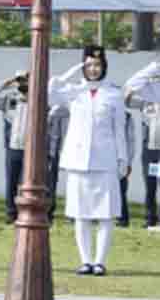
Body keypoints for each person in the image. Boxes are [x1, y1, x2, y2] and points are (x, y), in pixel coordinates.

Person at [52, 46, 129, 275]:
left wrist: (122, 158)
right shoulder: (73, 91)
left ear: (104, 67)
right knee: (81, 212)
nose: (93, 70)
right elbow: (48, 94)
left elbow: (119, 130)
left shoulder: (113, 94)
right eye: (88, 65)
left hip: (105, 159)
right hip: (78, 161)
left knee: (105, 214)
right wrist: (68, 75)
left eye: (97, 65)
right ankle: (85, 260)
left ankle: (100, 262)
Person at [122, 58, 160, 230]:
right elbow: (130, 90)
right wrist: (153, 68)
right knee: (151, 184)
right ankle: (150, 218)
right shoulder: (147, 99)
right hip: (151, 150)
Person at [0, 72, 30, 224]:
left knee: (28, 182)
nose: (23, 83)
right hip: (12, 146)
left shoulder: (38, 98)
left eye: (26, 79)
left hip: (31, 147)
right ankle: (11, 212)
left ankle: (26, 210)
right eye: (20, 80)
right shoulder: (10, 98)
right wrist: (7, 83)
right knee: (11, 179)